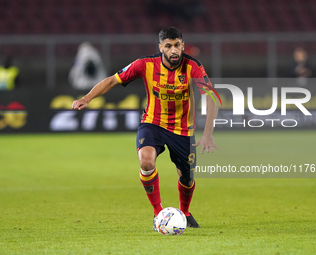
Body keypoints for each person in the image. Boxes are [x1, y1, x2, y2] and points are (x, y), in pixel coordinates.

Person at [72, 27, 219, 229]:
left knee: (187, 176)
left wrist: (208, 134)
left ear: (183, 45)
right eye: (168, 46)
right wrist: (86, 98)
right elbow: (112, 80)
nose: (174, 50)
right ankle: (158, 213)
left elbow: (212, 99)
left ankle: (185, 212)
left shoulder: (192, 66)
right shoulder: (145, 64)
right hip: (153, 122)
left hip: (182, 129)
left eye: (177, 45)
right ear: (161, 48)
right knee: (146, 162)